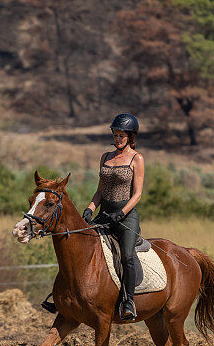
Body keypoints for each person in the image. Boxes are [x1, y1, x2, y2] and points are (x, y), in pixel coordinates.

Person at [40, 113, 145, 321]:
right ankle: (63, 297)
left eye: (121, 135)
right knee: (77, 247)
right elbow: (100, 191)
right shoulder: (105, 157)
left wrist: (121, 214)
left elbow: (137, 194)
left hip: (126, 217)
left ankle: (128, 301)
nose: (117, 138)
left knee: (126, 255)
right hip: (104, 213)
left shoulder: (137, 159)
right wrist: (89, 208)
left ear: (131, 136)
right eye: (115, 134)